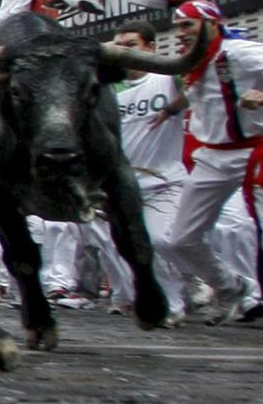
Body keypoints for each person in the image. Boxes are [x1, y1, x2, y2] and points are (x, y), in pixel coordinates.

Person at [161, 0, 263, 343]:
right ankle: (232, 285)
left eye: (187, 25)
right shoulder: (191, 62)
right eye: (177, 27)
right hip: (213, 158)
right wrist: (168, 111)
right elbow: (198, 93)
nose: (180, 33)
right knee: (180, 240)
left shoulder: (241, 51)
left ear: (212, 24)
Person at [108, 21, 190, 326]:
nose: (124, 51)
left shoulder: (168, 78)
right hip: (124, 186)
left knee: (161, 241)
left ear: (150, 47)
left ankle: (177, 302)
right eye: (119, 45)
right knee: (131, 247)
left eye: (131, 44)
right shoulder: (107, 89)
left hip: (164, 179)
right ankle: (165, 300)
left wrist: (174, 106)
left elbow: (199, 86)